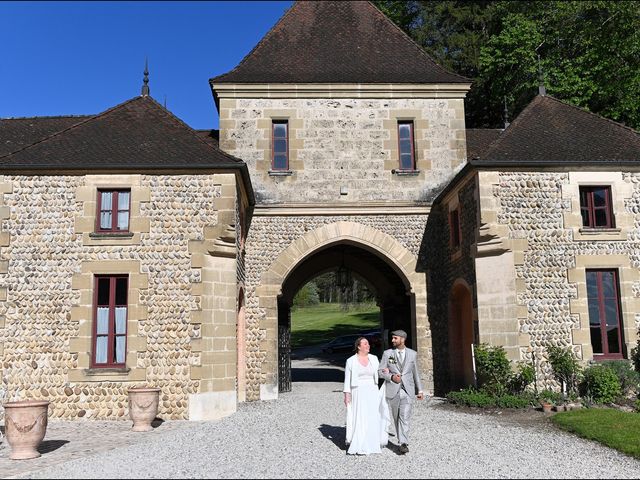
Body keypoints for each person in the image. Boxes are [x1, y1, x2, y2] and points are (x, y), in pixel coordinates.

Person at [378, 329, 425, 455]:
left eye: (395, 338)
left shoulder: (412, 354)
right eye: (392, 338)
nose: (392, 340)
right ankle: (401, 439)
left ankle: (403, 443)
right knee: (396, 416)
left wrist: (420, 390)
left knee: (405, 416)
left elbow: (416, 373)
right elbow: (380, 371)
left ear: (402, 339)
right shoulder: (388, 354)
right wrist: (391, 377)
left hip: (407, 391)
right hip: (393, 390)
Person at [343, 336, 389, 455]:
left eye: (368, 343)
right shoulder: (351, 361)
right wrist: (346, 394)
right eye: (365, 344)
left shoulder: (374, 359)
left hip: (372, 390)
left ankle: (372, 441)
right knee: (359, 415)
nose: (368, 345)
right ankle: (359, 441)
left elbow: (379, 373)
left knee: (372, 415)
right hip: (358, 391)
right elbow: (347, 379)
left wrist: (385, 372)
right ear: (358, 346)